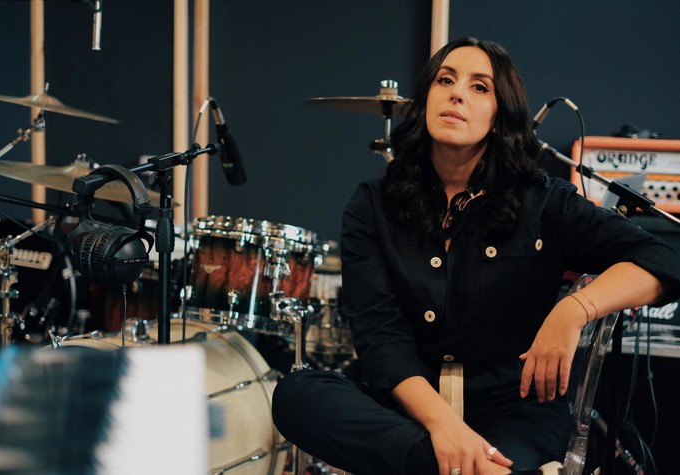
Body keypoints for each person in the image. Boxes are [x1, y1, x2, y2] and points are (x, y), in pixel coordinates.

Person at [272, 37, 680, 475]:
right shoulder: (373, 204)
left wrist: (574, 309)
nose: (457, 94)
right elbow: (380, 339)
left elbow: (665, 258)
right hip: (407, 410)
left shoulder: (543, 202)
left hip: (514, 411)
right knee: (296, 394)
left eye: (479, 87)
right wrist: (444, 427)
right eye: (445, 80)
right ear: (425, 99)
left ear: (500, 116)